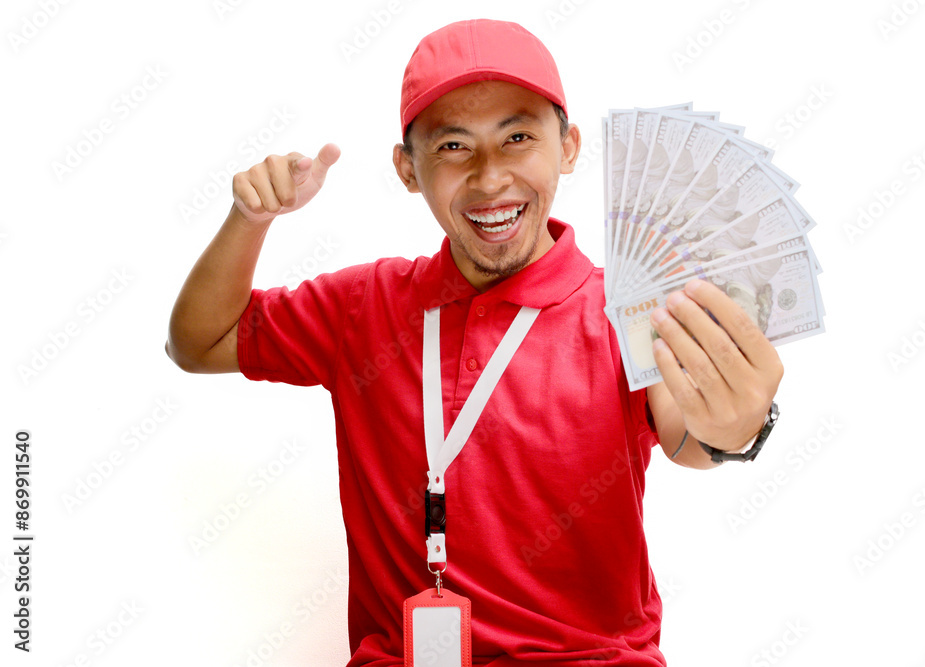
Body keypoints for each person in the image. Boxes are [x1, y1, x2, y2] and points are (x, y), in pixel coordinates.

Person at [165, 18, 783, 667]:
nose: (490, 178)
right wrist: (251, 217)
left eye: (517, 137)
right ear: (408, 169)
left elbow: (691, 438)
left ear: (568, 147)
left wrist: (736, 427)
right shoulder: (363, 307)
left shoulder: (626, 309)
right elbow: (198, 343)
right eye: (454, 147)